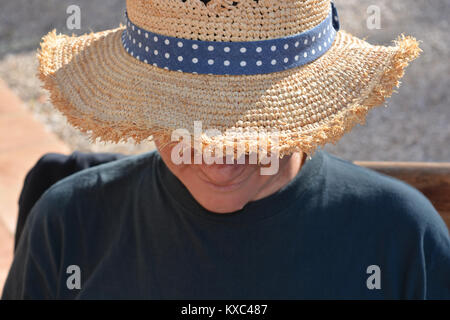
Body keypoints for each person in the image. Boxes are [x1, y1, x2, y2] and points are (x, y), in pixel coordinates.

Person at [2, 0, 449, 299]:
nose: (217, 157)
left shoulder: (402, 239)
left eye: (251, 121)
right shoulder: (66, 225)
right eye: (184, 120)